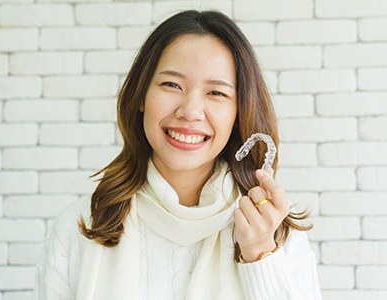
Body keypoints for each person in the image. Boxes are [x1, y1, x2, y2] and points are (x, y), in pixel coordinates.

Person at [34, 10, 322, 300]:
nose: (190, 111)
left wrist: (260, 256)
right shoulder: (79, 228)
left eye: (216, 93)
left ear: (239, 112)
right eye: (172, 85)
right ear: (141, 96)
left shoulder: (279, 234)